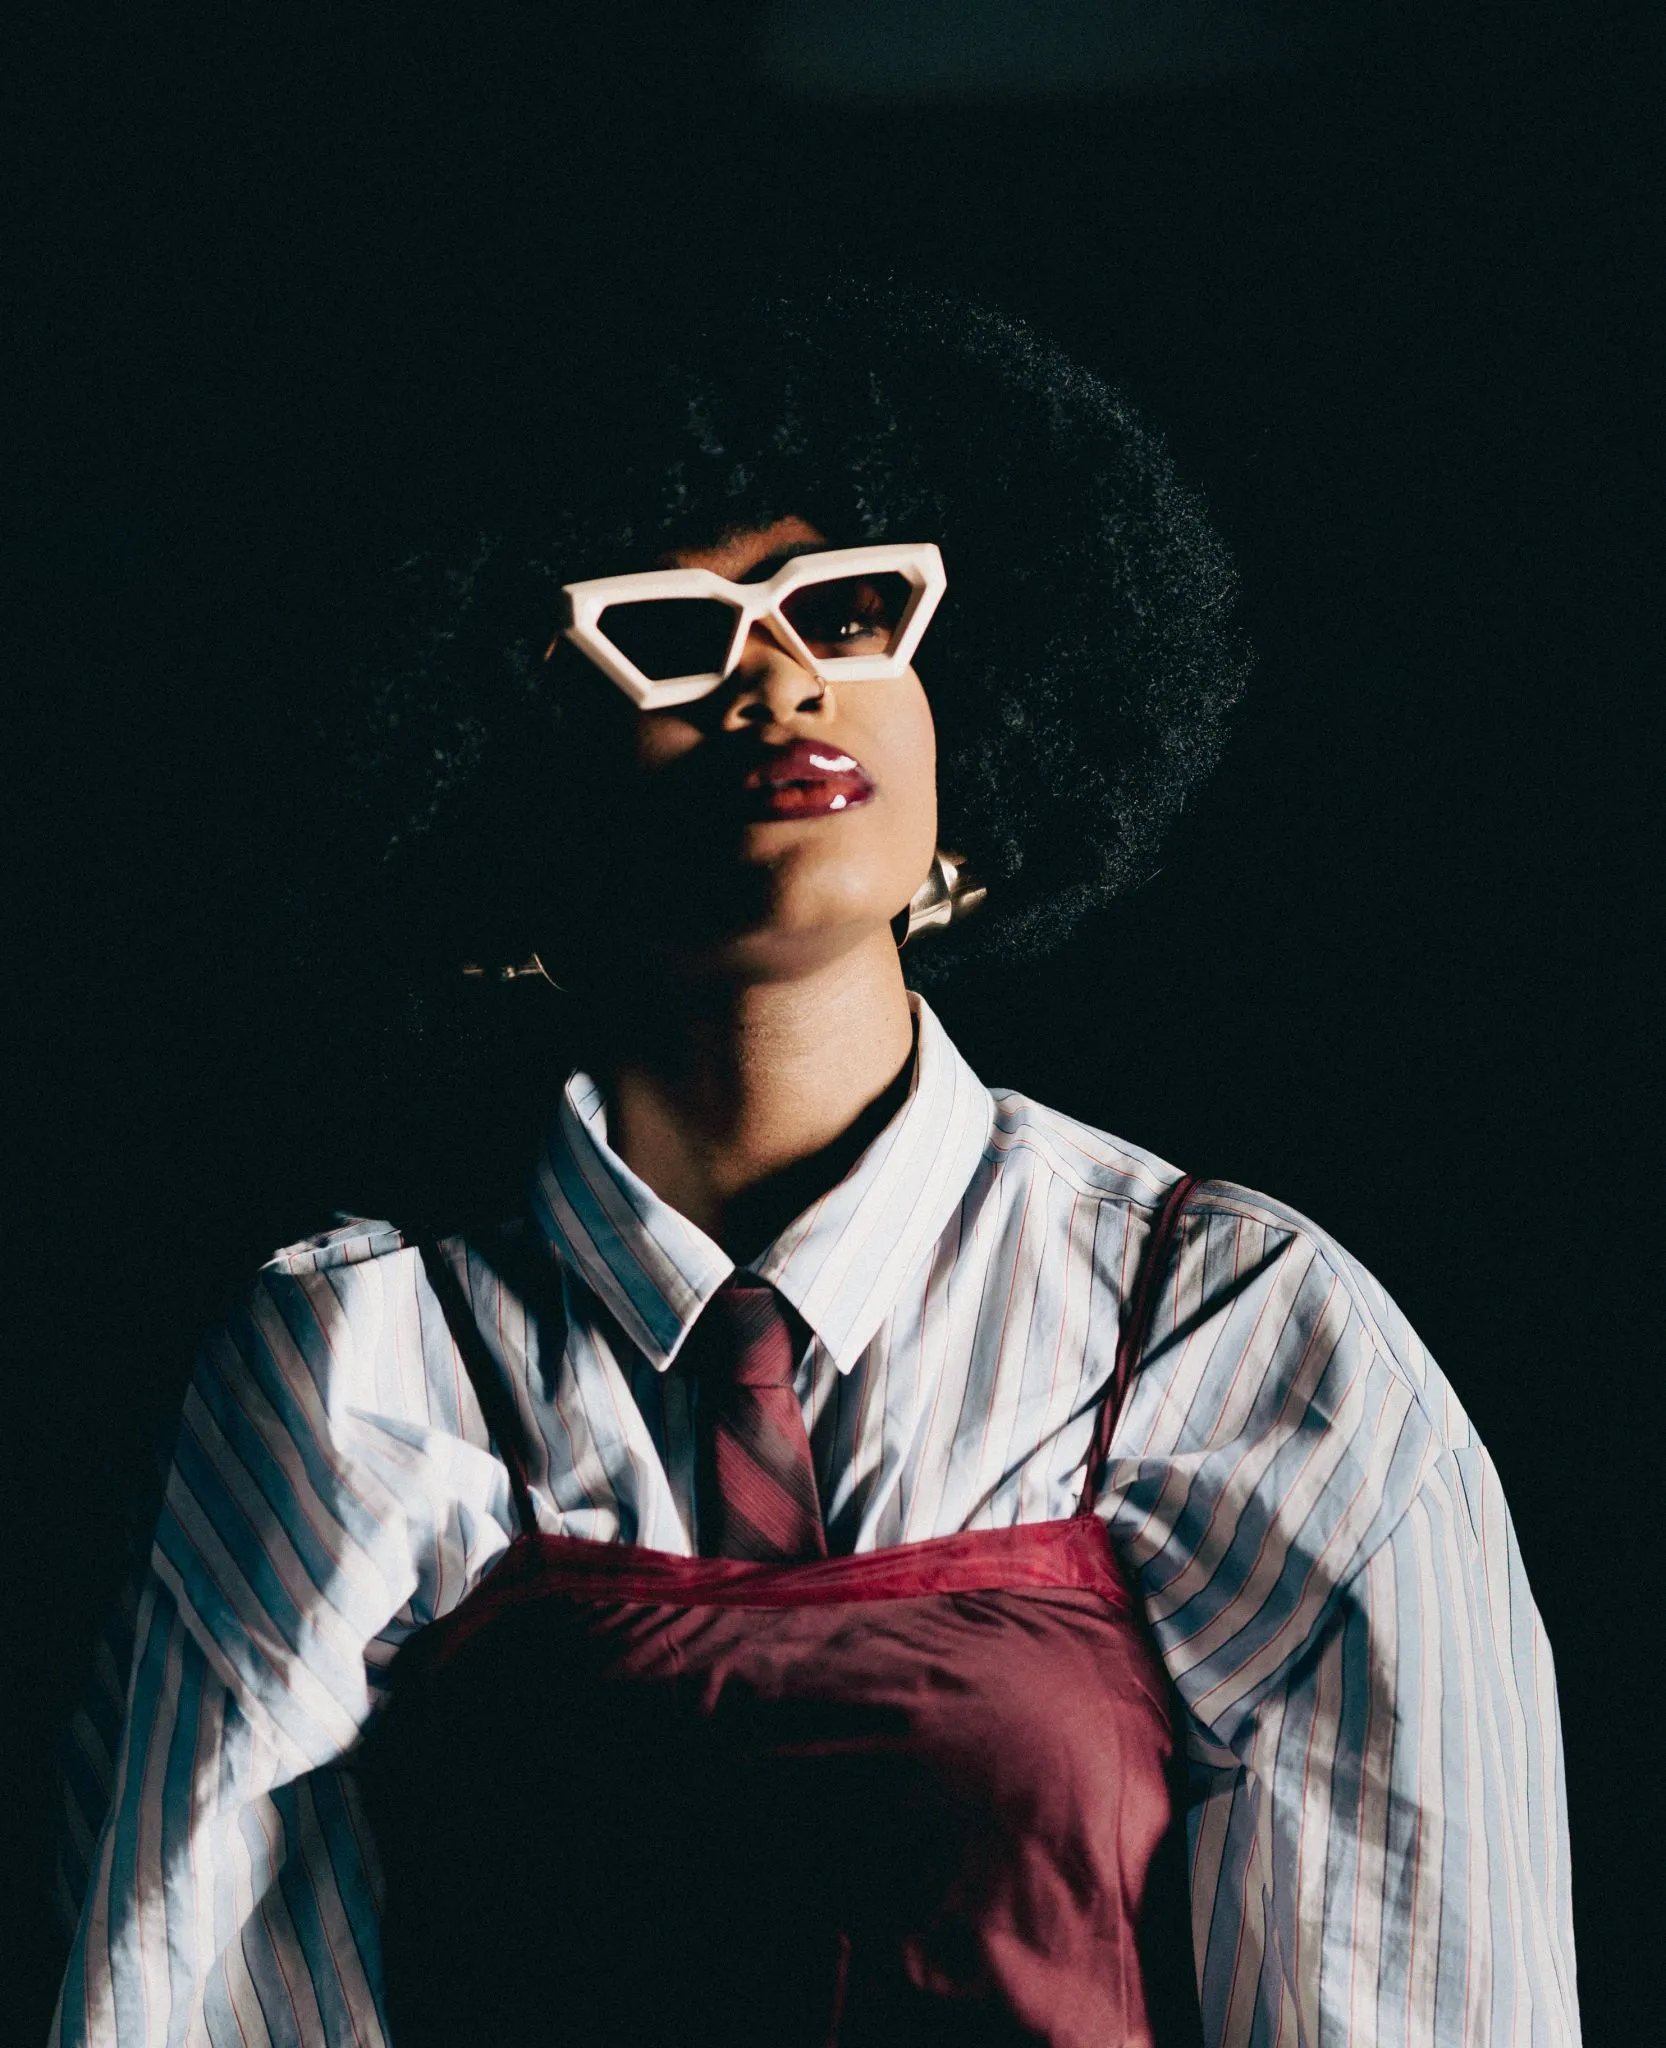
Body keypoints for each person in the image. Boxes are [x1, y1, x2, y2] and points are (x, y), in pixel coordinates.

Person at [50, 283, 1579, 2045]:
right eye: (671, 632)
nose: (780, 673)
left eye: (851, 610)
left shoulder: (1236, 1329)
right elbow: (181, 1993)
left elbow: (1429, 1996)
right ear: (499, 776)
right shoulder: (353, 1364)